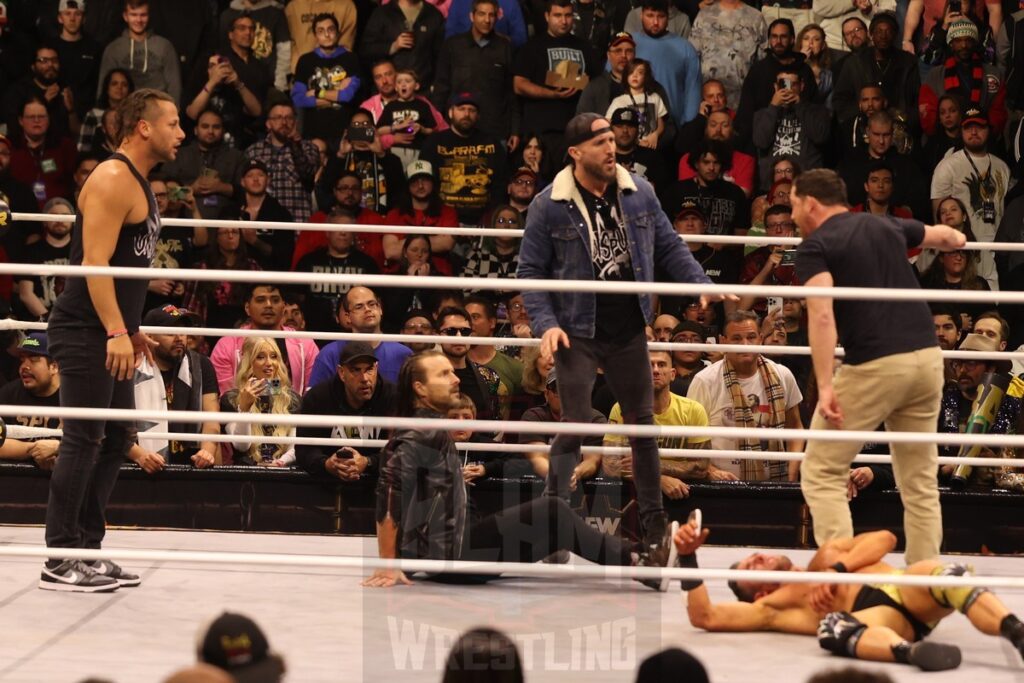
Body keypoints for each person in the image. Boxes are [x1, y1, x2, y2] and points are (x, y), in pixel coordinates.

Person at [517, 112, 725, 561]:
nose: (611, 148)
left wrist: (699, 282)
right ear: (576, 153)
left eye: (612, 139)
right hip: (576, 327)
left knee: (641, 428)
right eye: (600, 143)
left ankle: (653, 527)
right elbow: (530, 271)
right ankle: (553, 517)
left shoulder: (638, 192)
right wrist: (546, 323)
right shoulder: (548, 204)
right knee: (573, 424)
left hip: (628, 324)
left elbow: (668, 243)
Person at [362, 350, 678, 589]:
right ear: (420, 389)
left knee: (554, 525)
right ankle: (642, 561)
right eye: (443, 374)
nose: (456, 378)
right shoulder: (420, 431)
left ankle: (643, 566)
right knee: (553, 511)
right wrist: (389, 563)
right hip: (449, 557)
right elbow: (388, 491)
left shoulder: (428, 426)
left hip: (448, 551)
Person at [42, 87, 184, 593]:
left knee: (119, 437)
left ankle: (86, 547)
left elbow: (128, 266)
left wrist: (132, 326)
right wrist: (117, 329)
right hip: (87, 330)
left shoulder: (139, 182)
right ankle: (59, 558)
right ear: (144, 126)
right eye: (173, 123)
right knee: (82, 439)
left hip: (111, 330)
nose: (181, 133)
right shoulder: (111, 177)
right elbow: (93, 263)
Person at [792, 168, 967, 564]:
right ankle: (925, 577)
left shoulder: (815, 245)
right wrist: (957, 237)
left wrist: (825, 384)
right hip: (926, 359)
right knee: (919, 480)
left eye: (794, 204)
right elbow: (945, 237)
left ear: (811, 203)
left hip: (876, 363)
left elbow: (821, 315)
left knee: (821, 469)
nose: (793, 213)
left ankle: (844, 577)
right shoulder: (884, 225)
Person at [673, 519, 1024, 671]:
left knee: (950, 576)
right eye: (752, 567)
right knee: (834, 628)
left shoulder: (827, 555)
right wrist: (687, 557)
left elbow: (885, 538)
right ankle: (913, 653)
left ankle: (1016, 631)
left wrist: (836, 570)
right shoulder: (775, 606)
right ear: (761, 590)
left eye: (755, 555)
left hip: (906, 587)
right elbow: (706, 617)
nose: (759, 557)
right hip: (878, 620)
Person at [686, 310, 805, 480]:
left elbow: (795, 428)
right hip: (721, 488)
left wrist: (792, 474)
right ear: (723, 341)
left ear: (761, 339)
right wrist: (711, 472)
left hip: (776, 486)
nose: (745, 344)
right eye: (736, 338)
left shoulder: (782, 374)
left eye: (751, 337)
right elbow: (690, 440)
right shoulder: (705, 380)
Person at [604, 350, 736, 496]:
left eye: (661, 365)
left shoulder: (693, 410)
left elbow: (701, 467)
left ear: (672, 374)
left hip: (683, 493)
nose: (655, 370)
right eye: (649, 365)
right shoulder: (622, 408)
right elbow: (610, 465)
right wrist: (659, 479)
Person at [930, 108, 1010, 290]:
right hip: (963, 251)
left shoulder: (1002, 167)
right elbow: (939, 216)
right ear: (961, 131)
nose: (974, 132)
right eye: (968, 128)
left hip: (997, 252)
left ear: (988, 130)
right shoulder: (947, 167)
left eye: (979, 127)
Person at [132, 305, 219, 469]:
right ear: (148, 336)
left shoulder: (201, 365)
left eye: (183, 331)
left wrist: (207, 451)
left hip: (189, 465)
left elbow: (212, 419)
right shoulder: (132, 365)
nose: (180, 338)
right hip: (137, 466)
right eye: (170, 332)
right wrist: (139, 455)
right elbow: (113, 425)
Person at [296, 341, 396, 481]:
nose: (365, 379)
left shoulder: (393, 397)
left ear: (377, 368)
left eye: (369, 369)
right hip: (325, 487)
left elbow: (403, 451)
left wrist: (368, 462)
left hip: (375, 487)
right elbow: (303, 449)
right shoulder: (318, 397)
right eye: (356, 370)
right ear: (342, 373)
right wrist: (327, 464)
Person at [432, 0, 519, 146]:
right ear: (472, 16)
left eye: (491, 15)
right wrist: (436, 124)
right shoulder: (452, 46)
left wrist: (515, 130)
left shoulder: (506, 48)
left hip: (495, 131)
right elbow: (441, 88)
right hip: (457, 129)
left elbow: (512, 93)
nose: (487, 20)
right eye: (482, 14)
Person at [220, 336, 302, 466]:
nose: (269, 363)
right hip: (246, 475)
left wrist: (280, 463)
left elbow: (295, 447)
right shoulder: (231, 399)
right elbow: (241, 446)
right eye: (260, 357)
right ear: (249, 362)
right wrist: (244, 408)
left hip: (282, 472)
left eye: (273, 356)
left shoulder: (292, 398)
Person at [311, 286, 413, 386]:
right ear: (348, 317)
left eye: (372, 304)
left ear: (380, 309)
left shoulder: (403, 354)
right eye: (359, 307)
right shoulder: (329, 354)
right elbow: (314, 400)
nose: (367, 309)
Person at [159, 109, 243, 220]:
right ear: (196, 130)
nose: (211, 131)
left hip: (226, 226)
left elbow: (246, 194)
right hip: (185, 222)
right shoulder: (178, 155)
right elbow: (166, 194)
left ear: (223, 131)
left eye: (216, 127)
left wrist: (221, 187)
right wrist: (192, 189)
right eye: (205, 126)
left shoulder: (236, 157)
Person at [243, 101, 320, 222]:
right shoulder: (253, 151)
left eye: (289, 118)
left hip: (298, 221)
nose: (284, 122)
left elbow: (308, 173)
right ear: (268, 124)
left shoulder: (308, 147)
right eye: (278, 118)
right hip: (265, 222)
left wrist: (295, 144)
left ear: (295, 122)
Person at [290, 13, 362, 142]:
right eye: (321, 31)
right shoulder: (305, 61)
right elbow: (298, 99)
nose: (327, 35)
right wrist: (336, 95)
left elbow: (348, 96)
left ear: (338, 32)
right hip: (313, 133)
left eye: (331, 29)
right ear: (315, 35)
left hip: (344, 132)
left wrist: (317, 93)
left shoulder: (351, 59)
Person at [631, 0, 702, 126]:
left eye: (661, 16)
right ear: (641, 15)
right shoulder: (629, 44)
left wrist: (688, 126)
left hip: (673, 126)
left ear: (668, 17)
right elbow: (612, 81)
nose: (655, 22)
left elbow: (693, 92)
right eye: (650, 15)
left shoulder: (685, 49)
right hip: (632, 124)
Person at [96, 0, 181, 104]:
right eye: (133, 15)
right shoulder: (113, 49)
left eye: (143, 15)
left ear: (149, 16)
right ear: (125, 16)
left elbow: (175, 87)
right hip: (124, 111)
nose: (139, 20)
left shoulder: (164, 46)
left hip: (157, 111)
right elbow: (103, 89)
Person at [689, 0, 768, 109]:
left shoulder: (756, 17)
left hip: (742, 101)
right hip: (708, 101)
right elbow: (691, 58)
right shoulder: (704, 15)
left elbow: (763, 63)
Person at [15, 197, 74, 321]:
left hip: (77, 320)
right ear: (45, 221)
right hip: (42, 321)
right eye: (54, 216)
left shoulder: (83, 250)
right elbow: (26, 294)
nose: (59, 220)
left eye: (64, 216)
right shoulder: (31, 251)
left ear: (73, 220)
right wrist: (50, 320)